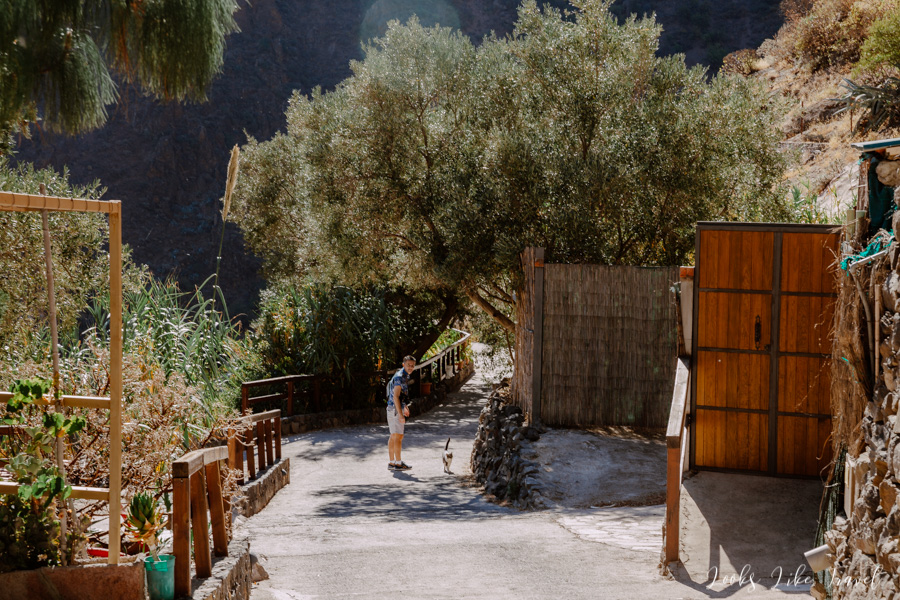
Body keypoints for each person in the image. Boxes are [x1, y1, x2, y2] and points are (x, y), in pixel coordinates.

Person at [387, 355, 415, 471]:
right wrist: (400, 414)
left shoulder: (404, 375)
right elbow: (396, 397)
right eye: (408, 365)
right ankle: (398, 463)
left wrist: (405, 407)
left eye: (412, 365)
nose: (410, 367)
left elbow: (401, 396)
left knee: (394, 436)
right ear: (403, 364)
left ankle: (392, 462)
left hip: (393, 408)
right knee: (398, 436)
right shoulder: (400, 377)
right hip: (394, 409)